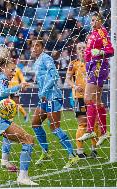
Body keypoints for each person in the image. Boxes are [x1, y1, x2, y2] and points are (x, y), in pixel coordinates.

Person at [0, 49, 37, 185]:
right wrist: (19, 86)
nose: (14, 73)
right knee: (29, 140)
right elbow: (2, 92)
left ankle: (5, 160)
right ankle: (23, 177)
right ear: (3, 68)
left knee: (9, 134)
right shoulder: (2, 78)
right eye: (12, 70)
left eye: (15, 71)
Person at [30, 38, 79, 169]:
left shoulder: (46, 58)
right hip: (44, 98)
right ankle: (46, 152)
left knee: (55, 128)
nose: (34, 48)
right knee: (35, 123)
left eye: (37, 45)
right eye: (32, 46)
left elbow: (55, 77)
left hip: (53, 97)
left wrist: (44, 91)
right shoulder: (37, 61)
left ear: (42, 47)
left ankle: (72, 155)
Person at [77, 11, 114, 146]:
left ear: (100, 21)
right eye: (91, 20)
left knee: (88, 98)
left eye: (95, 20)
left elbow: (111, 51)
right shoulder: (94, 33)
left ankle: (90, 129)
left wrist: (99, 52)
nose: (92, 22)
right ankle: (104, 132)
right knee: (97, 101)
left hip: (98, 67)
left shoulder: (102, 32)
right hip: (94, 68)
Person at [65, 42, 100, 158]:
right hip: (79, 97)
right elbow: (68, 79)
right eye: (79, 48)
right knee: (83, 124)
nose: (82, 50)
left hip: (92, 97)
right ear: (76, 51)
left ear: (88, 49)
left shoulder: (94, 62)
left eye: (84, 48)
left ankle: (94, 150)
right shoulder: (73, 64)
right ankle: (80, 151)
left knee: (95, 123)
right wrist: (75, 86)